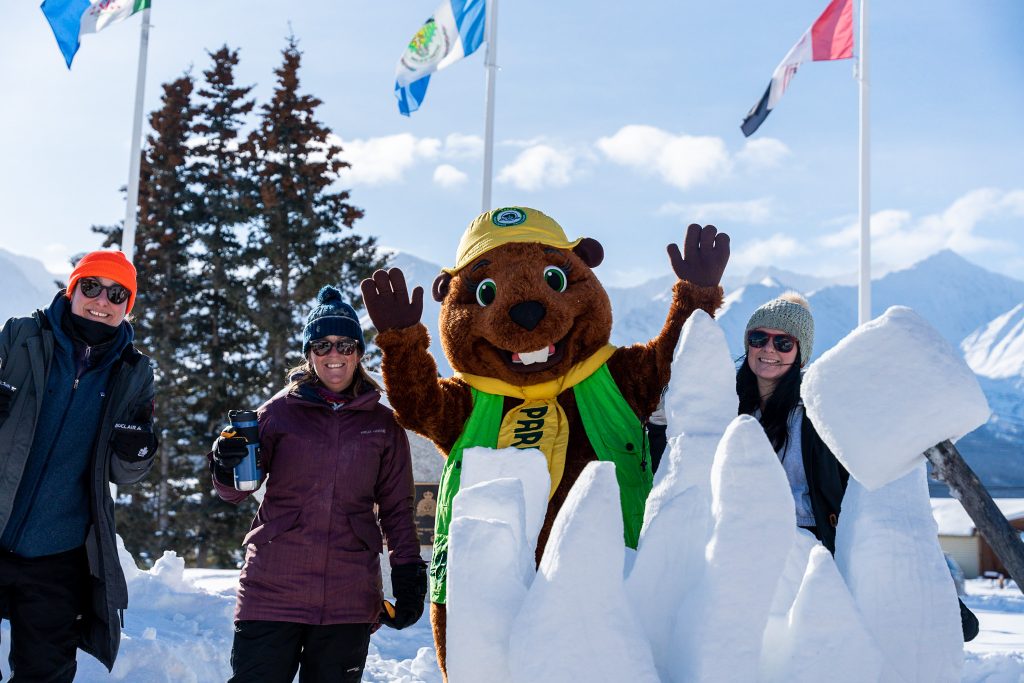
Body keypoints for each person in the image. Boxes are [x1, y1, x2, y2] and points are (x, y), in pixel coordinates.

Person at [211, 285, 426, 683]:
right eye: (323, 345)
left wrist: (409, 574)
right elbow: (235, 490)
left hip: (349, 597)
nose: (334, 355)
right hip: (272, 591)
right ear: (309, 353)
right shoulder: (278, 413)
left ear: (359, 353)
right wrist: (225, 467)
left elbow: (397, 509)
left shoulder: (382, 425)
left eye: (345, 345)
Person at [738, 291, 978, 641]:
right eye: (758, 338)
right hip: (749, 541)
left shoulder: (818, 410)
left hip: (813, 543)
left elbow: (872, 470)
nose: (768, 349)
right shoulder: (728, 404)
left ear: (801, 350)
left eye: (783, 342)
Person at [0, 250, 159, 680]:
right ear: (72, 290)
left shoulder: (134, 372)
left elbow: (125, 474)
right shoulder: (20, 336)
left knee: (46, 675)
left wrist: (137, 449)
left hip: (58, 551)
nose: (101, 301)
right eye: (91, 287)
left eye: (117, 293)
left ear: (128, 306)